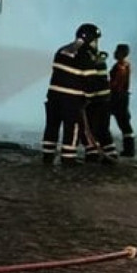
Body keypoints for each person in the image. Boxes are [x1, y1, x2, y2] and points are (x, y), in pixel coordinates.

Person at [42, 22, 97, 165]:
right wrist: (89, 99)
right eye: (95, 40)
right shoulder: (86, 56)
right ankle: (68, 158)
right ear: (90, 39)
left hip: (53, 97)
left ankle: (47, 156)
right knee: (72, 128)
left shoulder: (61, 51)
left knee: (52, 126)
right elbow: (90, 82)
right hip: (72, 100)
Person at [81, 45, 118, 164]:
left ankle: (94, 153)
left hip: (95, 101)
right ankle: (109, 153)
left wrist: (85, 98)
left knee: (90, 128)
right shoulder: (99, 61)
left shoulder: (91, 63)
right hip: (104, 100)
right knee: (102, 128)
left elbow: (90, 82)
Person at [110, 43, 134, 157]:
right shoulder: (127, 65)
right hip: (124, 96)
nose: (114, 53)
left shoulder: (119, 67)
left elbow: (114, 83)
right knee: (125, 124)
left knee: (102, 121)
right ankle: (129, 149)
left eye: (117, 51)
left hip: (116, 97)